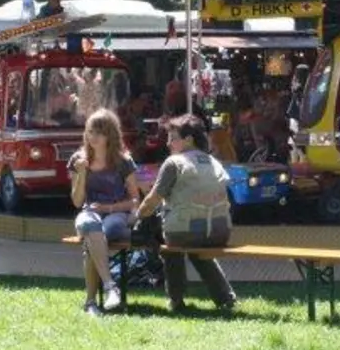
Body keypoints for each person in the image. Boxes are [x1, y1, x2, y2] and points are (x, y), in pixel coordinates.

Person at [134, 114, 238, 314]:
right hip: (220, 231)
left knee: (169, 247)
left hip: (186, 231)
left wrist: (137, 217)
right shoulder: (213, 161)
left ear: (188, 139)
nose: (168, 143)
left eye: (172, 138)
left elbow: (153, 200)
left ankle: (176, 300)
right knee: (198, 250)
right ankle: (226, 298)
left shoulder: (174, 163)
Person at [69, 109, 142, 315]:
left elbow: (135, 200)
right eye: (90, 131)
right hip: (89, 212)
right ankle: (110, 287)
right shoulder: (78, 160)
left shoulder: (123, 161)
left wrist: (107, 208)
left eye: (99, 132)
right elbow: (77, 202)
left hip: (115, 213)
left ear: (110, 135)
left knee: (98, 234)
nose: (93, 137)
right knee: (90, 225)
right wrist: (81, 174)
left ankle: (91, 303)